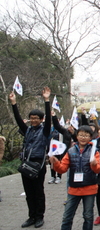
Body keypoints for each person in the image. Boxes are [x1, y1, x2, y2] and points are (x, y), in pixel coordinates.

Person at [9, 87, 52, 228]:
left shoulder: (45, 131)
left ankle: (40, 217)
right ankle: (31, 216)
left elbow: (49, 119)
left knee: (38, 192)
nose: (33, 120)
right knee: (29, 193)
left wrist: (46, 100)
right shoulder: (27, 131)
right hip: (26, 164)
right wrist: (14, 103)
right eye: (32, 118)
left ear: (41, 119)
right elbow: (18, 120)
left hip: (38, 164)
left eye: (36, 118)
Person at [50, 125, 100, 230]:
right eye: (81, 135)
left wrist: (94, 164)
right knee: (67, 216)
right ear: (77, 136)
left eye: (86, 135)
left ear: (90, 138)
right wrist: (55, 163)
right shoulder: (70, 151)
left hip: (89, 189)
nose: (83, 138)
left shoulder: (94, 151)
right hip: (73, 189)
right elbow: (62, 169)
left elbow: (98, 170)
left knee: (88, 216)